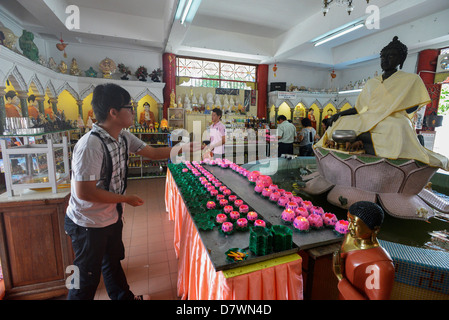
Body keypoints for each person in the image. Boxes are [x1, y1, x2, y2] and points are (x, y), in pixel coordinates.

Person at [64, 83, 197, 300]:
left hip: (111, 216)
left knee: (113, 263)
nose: (134, 112)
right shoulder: (90, 146)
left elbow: (152, 153)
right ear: (113, 112)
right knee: (84, 278)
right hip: (86, 223)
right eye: (130, 107)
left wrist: (183, 148)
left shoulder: (123, 136)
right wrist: (125, 198)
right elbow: (85, 193)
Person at [316, 36, 448, 171]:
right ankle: (354, 143)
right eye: (383, 56)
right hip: (368, 116)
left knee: (398, 127)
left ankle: (368, 145)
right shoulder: (372, 82)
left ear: (400, 60)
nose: (385, 60)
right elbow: (359, 108)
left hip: (391, 118)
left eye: (391, 56)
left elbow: (411, 109)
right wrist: (338, 115)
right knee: (341, 122)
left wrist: (399, 103)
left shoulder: (411, 79)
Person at [333, 201, 395, 300]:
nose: (349, 228)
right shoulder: (350, 239)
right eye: (349, 221)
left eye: (355, 224)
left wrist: (341, 278)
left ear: (375, 230)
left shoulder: (381, 266)